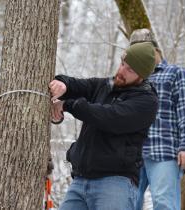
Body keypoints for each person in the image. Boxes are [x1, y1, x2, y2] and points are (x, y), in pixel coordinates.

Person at [50, 42, 158, 210]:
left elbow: (108, 117)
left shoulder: (146, 101)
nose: (121, 71)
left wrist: (67, 105)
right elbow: (78, 85)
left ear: (142, 75)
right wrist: (62, 84)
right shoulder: (105, 86)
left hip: (115, 184)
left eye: (130, 70)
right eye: (123, 64)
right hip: (80, 182)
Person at [131, 29, 185, 210]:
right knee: (126, 203)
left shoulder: (176, 73)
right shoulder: (133, 78)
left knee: (164, 203)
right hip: (132, 153)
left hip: (164, 151)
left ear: (155, 49)